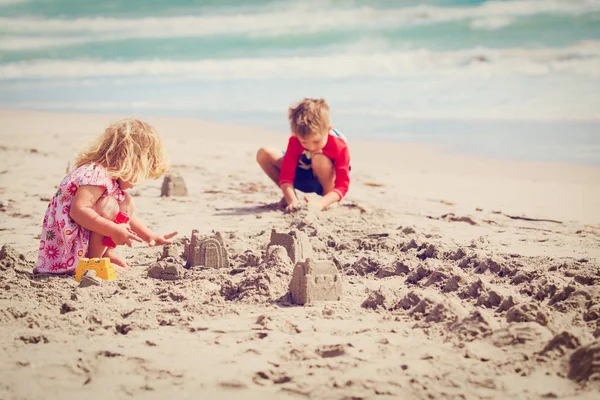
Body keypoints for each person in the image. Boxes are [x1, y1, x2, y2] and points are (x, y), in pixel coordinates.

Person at [34, 118, 177, 274]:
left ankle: (104, 255)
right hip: (66, 247)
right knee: (109, 205)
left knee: (126, 202)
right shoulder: (95, 175)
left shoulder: (109, 180)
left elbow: (129, 217)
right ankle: (92, 263)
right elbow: (78, 211)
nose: (139, 182)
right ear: (127, 160)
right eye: (141, 173)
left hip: (80, 240)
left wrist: (149, 236)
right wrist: (113, 230)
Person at [256, 98, 350, 212]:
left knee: (319, 158)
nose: (311, 147)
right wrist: (292, 201)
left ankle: (328, 199)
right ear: (295, 134)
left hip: (325, 179)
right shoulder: (295, 140)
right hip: (302, 175)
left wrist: (320, 203)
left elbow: (342, 184)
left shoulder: (339, 145)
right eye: (304, 142)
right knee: (264, 153)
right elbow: (286, 175)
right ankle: (289, 196)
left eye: (316, 141)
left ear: (328, 129)